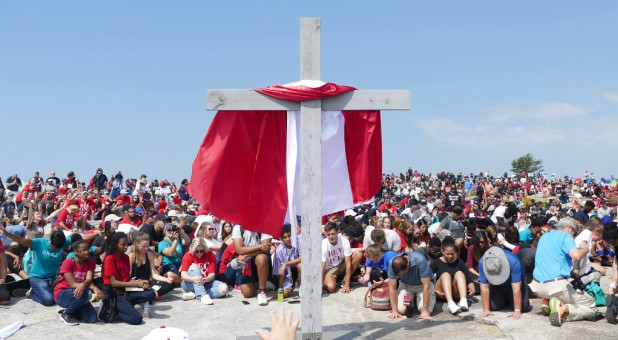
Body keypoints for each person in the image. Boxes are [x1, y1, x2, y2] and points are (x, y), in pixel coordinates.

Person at [529, 217, 596, 327]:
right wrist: (585, 248)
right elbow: (577, 255)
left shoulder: (544, 237)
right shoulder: (566, 236)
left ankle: (547, 302)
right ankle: (564, 309)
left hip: (537, 287)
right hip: (555, 286)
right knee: (591, 305)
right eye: (574, 233)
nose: (573, 236)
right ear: (569, 228)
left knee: (563, 289)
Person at [0, 224, 70, 306]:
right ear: (50, 240)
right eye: (54, 247)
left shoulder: (63, 241)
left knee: (61, 295)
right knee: (49, 300)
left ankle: (38, 288)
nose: (56, 249)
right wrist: (7, 234)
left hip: (53, 277)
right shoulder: (39, 243)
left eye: (59, 248)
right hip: (38, 278)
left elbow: (79, 240)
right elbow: (22, 240)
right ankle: (31, 293)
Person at [101, 232, 155, 325]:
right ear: (115, 245)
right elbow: (114, 283)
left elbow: (126, 279)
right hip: (114, 294)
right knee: (136, 319)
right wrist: (135, 284)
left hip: (126, 291)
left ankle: (126, 305)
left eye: (127, 244)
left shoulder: (125, 257)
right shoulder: (109, 259)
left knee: (151, 293)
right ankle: (116, 311)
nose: (126, 247)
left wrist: (139, 282)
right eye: (123, 244)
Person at [54, 239, 103, 325]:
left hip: (79, 294)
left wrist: (94, 288)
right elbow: (72, 284)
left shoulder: (90, 262)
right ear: (76, 252)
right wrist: (85, 286)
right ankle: (66, 314)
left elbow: (88, 279)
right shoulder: (68, 262)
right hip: (63, 293)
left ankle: (71, 309)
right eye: (83, 250)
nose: (87, 252)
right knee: (88, 293)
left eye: (88, 249)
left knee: (91, 318)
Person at [478, 245, 529, 321]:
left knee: (523, 307)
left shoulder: (513, 261)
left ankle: (512, 298)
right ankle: (507, 298)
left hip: (515, 283)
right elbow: (484, 287)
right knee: (493, 307)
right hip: (497, 285)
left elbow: (516, 289)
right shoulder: (482, 262)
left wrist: (517, 310)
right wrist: (486, 309)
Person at [387, 250, 435, 321]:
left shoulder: (420, 260)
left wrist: (425, 311)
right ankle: (411, 301)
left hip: (422, 286)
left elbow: (426, 286)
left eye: (403, 273)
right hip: (406, 285)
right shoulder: (392, 263)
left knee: (423, 311)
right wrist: (394, 311)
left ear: (408, 264)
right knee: (401, 310)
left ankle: (417, 301)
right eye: (399, 274)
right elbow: (392, 287)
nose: (401, 275)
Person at [179, 237, 228, 304]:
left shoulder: (210, 254)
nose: (199, 253)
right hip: (189, 283)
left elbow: (212, 274)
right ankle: (202, 295)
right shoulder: (188, 255)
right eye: (197, 251)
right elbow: (183, 275)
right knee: (194, 266)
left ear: (205, 249)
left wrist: (204, 280)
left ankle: (195, 294)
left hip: (205, 282)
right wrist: (193, 279)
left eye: (201, 251)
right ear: (193, 249)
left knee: (224, 289)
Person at [430, 239, 473, 314]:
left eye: (452, 254)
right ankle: (450, 303)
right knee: (446, 274)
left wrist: (472, 290)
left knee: (459, 273)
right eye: (447, 254)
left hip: (455, 292)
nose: (450, 256)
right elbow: (427, 278)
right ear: (443, 252)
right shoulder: (436, 262)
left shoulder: (460, 262)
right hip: (441, 292)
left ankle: (463, 301)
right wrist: (433, 291)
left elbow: (468, 279)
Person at [129, 232, 174, 303]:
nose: (146, 248)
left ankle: (150, 295)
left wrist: (166, 279)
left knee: (169, 285)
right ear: (137, 244)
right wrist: (137, 282)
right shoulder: (131, 256)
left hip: (148, 285)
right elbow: (128, 275)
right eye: (143, 246)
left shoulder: (149, 255)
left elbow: (154, 274)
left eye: (147, 246)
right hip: (136, 285)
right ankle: (151, 296)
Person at [321, 222, 361, 294]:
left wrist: (347, 284)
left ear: (337, 232)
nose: (331, 237)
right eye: (328, 234)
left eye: (333, 234)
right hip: (329, 269)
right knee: (330, 288)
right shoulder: (323, 244)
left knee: (358, 254)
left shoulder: (344, 241)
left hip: (341, 264)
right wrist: (321, 285)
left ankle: (345, 280)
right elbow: (322, 266)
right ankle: (336, 279)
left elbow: (348, 263)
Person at [273, 225, 301, 298]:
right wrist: (280, 288)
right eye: (285, 237)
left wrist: (286, 263)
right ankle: (292, 285)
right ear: (281, 239)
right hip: (288, 274)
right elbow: (281, 273)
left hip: (300, 270)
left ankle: (302, 286)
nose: (288, 239)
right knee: (284, 294)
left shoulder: (300, 240)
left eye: (289, 235)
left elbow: (304, 258)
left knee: (300, 266)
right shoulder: (279, 251)